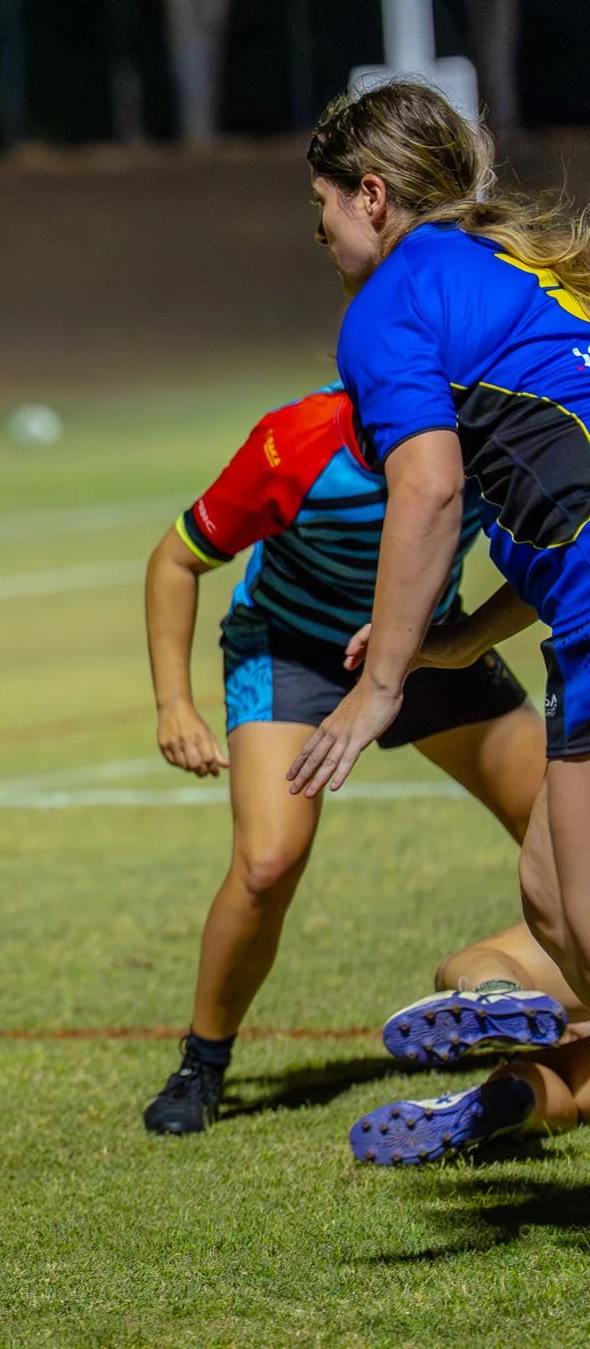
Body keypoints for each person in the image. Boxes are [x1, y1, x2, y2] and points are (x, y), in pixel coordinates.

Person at [275, 81, 590, 1160]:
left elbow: (430, 491)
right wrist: (461, 639)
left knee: (582, 917)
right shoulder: (510, 269)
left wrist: (377, 692)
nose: (317, 231)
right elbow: (563, 506)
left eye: (320, 204)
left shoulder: (391, 306)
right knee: (553, 892)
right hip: (580, 610)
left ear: (372, 196)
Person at [141, 381, 563, 1134]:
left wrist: (460, 643)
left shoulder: (489, 436)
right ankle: (202, 1062)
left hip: (429, 643)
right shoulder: (297, 445)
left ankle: (560, 1002)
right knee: (268, 861)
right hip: (293, 652)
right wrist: (174, 702)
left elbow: (551, 561)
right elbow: (175, 559)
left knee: (566, 828)